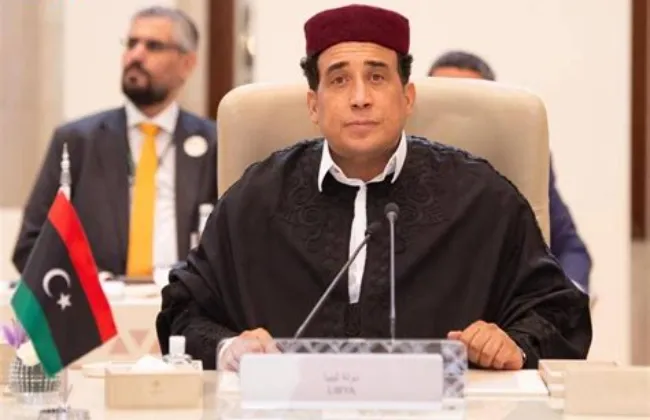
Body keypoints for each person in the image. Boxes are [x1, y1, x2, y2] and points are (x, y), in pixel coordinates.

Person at [156, 4, 592, 372]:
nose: (360, 97)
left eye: (378, 77)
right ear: (313, 105)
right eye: (339, 79)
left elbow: (561, 313)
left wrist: (513, 344)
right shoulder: (256, 199)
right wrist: (229, 348)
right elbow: (182, 312)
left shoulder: (480, 197)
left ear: (408, 98)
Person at [13, 6, 217, 278]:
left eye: (153, 46)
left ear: (187, 64)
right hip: (99, 299)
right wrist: (90, 285)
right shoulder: (77, 141)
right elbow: (31, 246)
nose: (136, 55)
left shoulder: (215, 143)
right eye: (131, 44)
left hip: (184, 300)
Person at [429, 50, 593, 292]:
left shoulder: (523, 160)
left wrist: (567, 298)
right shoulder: (392, 162)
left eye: (465, 106)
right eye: (444, 104)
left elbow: (570, 249)